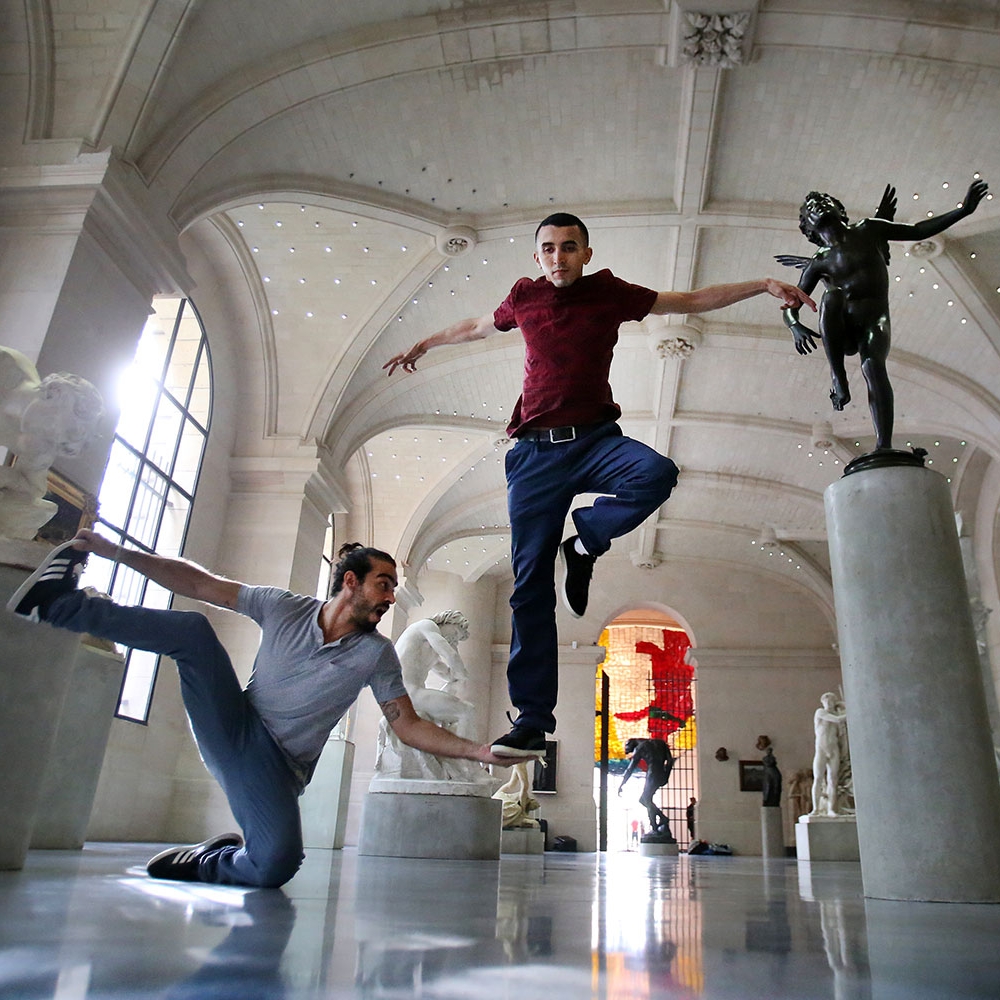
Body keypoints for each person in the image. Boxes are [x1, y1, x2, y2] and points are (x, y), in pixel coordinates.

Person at [385, 212, 815, 755]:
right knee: (529, 587)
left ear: (586, 254)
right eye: (548, 248)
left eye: (569, 247)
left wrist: (762, 284)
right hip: (535, 455)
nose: (558, 257)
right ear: (537, 256)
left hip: (595, 441)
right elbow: (473, 327)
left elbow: (688, 301)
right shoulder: (524, 297)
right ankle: (533, 718)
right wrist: (424, 343)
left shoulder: (610, 293)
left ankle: (585, 541)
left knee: (656, 473)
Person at [6, 533, 522, 887]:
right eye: (383, 583)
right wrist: (117, 552)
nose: (390, 597)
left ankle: (209, 861)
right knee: (192, 631)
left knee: (274, 865)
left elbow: (406, 725)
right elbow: (199, 584)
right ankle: (57, 604)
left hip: (279, 768)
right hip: (235, 728)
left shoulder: (376, 654)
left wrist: (480, 751)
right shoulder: (284, 607)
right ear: (350, 581)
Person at [777, 178, 989, 451]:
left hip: (874, 321)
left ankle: (883, 445)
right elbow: (791, 306)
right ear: (808, 226)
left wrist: (964, 210)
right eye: (811, 207)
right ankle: (838, 378)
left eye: (823, 200)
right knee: (832, 296)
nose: (818, 205)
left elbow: (917, 230)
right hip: (843, 330)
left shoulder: (868, 229)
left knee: (873, 367)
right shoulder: (819, 262)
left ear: (839, 209)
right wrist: (794, 325)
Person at [618, 737, 675, 838]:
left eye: (628, 749)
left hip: (652, 774)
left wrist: (622, 784)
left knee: (645, 800)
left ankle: (656, 826)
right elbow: (670, 761)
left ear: (631, 744)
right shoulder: (660, 742)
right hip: (661, 773)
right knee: (646, 799)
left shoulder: (640, 748)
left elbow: (630, 768)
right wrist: (666, 775)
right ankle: (659, 822)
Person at [810, 691, 849, 817]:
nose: (829, 703)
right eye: (826, 701)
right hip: (821, 750)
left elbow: (842, 732)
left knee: (833, 779)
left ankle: (831, 809)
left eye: (832, 701)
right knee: (818, 778)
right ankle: (816, 809)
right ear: (822, 702)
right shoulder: (820, 712)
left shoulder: (838, 714)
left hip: (833, 749)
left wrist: (842, 705)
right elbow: (837, 720)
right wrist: (851, 711)